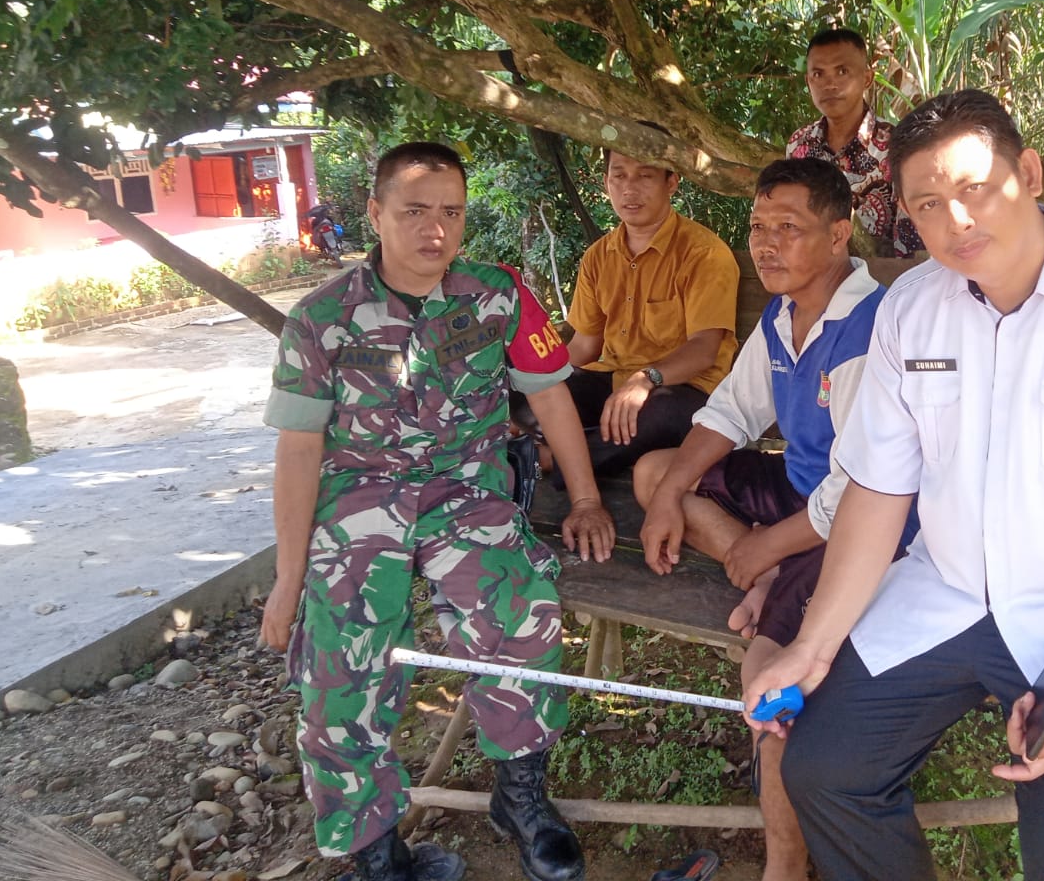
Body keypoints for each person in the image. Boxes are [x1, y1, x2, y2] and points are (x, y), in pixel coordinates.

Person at [745, 91, 1044, 881]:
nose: (958, 221)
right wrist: (812, 645)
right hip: (944, 597)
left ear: (1029, 174)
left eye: (975, 188)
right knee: (824, 770)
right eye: (928, 204)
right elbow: (878, 491)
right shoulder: (912, 310)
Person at [260, 141, 612, 881]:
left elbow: (550, 395)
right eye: (415, 211)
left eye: (451, 212)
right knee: (340, 655)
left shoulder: (498, 293)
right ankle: (376, 849)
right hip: (361, 499)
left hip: (465, 490)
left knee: (519, 605)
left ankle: (520, 796)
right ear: (374, 212)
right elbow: (298, 452)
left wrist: (584, 498)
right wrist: (289, 579)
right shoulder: (321, 319)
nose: (436, 229)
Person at [632, 156, 884, 881]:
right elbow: (733, 411)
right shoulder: (782, 314)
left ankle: (784, 865)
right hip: (799, 492)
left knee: (771, 686)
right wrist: (670, 497)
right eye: (758, 227)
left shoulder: (869, 330)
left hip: (862, 523)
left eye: (788, 228)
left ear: (838, 235)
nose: (766, 245)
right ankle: (768, 572)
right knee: (654, 473)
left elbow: (865, 490)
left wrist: (769, 542)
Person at [562, 137, 739, 475]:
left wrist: (645, 379)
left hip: (684, 390)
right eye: (619, 175)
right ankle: (571, 449)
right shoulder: (598, 257)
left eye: (645, 176)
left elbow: (704, 349)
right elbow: (584, 346)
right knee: (536, 394)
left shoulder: (703, 253)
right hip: (614, 381)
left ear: (671, 182)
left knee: (658, 419)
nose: (630, 189)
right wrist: (541, 386)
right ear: (606, 182)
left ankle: (548, 459)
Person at [786, 27, 923, 258]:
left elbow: (908, 242)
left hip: (881, 276)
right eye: (818, 74)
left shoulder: (899, 146)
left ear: (867, 78)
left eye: (842, 71)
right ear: (808, 82)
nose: (829, 84)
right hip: (813, 272)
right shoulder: (799, 145)